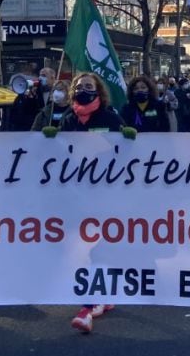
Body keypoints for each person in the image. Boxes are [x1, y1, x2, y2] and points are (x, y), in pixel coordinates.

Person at [55, 72, 135, 334]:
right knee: (82, 244)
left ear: (98, 91)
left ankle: (90, 304)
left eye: (88, 86)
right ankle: (102, 294)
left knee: (97, 245)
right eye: (79, 86)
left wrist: (126, 139)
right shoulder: (69, 119)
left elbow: (124, 152)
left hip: (105, 190)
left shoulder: (109, 118)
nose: (83, 89)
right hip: (76, 191)